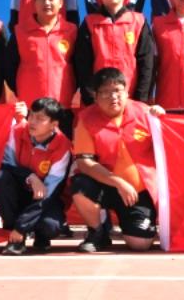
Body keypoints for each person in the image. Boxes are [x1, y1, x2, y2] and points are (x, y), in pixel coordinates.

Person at [71, 68, 159, 253]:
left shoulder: (145, 113)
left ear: (127, 92)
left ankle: (129, 223)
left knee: (140, 244)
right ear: (95, 96)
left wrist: (162, 118)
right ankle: (98, 232)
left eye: (118, 91)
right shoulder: (85, 119)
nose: (113, 97)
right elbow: (84, 163)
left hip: (138, 192)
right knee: (80, 186)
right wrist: (118, 182)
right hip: (106, 186)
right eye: (105, 92)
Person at [0, 96, 72, 255]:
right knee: (0, 178)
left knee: (51, 226)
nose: (32, 122)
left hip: (44, 198)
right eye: (31, 116)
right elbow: (7, 164)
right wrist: (31, 177)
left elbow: (49, 192)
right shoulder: (16, 131)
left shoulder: (63, 147)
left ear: (54, 124)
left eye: (40, 119)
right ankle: (15, 238)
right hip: (18, 191)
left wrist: (21, 226)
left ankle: (40, 235)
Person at [73, 0, 155, 104]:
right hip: (99, 100)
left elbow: (147, 62)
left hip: (131, 98)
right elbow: (83, 65)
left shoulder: (138, 21)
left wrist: (140, 99)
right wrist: (91, 99)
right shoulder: (90, 23)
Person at [9, 0, 79, 109]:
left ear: (61, 3)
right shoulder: (20, 31)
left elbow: (79, 65)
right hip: (30, 102)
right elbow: (10, 67)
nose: (46, 3)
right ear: (35, 3)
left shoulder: (72, 31)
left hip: (63, 101)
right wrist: (21, 89)